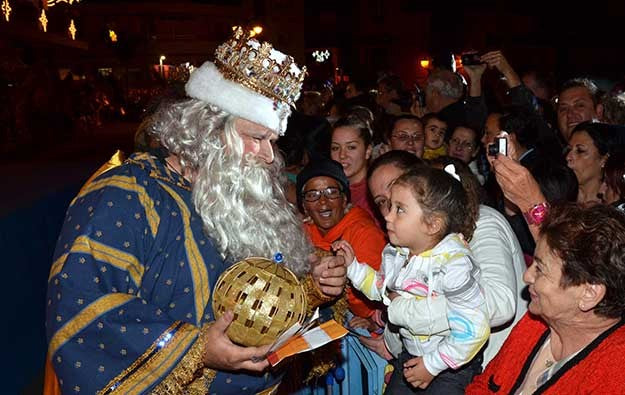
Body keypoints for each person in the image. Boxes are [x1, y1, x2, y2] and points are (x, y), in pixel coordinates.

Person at [45, 28, 347, 395]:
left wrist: (313, 288)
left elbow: (259, 293)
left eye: (272, 141)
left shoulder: (242, 196)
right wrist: (197, 349)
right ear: (208, 129)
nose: (269, 156)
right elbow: (85, 307)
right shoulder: (126, 197)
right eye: (256, 137)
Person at [364, 152, 527, 370]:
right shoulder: (406, 244)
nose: (389, 212)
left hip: (492, 365)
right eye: (383, 202)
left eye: (399, 198)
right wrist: (390, 341)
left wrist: (403, 310)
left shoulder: (484, 222)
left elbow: (500, 304)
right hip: (430, 364)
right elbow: (399, 301)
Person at [335, 166, 489, 394]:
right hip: (412, 353)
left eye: (400, 210)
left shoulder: (454, 265)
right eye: (388, 206)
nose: (387, 215)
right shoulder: (397, 252)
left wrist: (433, 364)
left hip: (451, 362)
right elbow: (382, 288)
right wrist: (354, 268)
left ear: (432, 224)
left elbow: (473, 329)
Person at [467, 203, 625, 394]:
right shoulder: (537, 321)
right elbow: (483, 386)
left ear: (589, 294)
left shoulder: (615, 371)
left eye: (540, 269)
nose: (527, 276)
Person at [296, 157, 387, 329]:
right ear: (304, 206)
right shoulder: (301, 233)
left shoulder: (364, 234)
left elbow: (372, 305)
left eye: (331, 192)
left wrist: (343, 274)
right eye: (313, 195)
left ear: (344, 200)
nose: (323, 202)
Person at [330, 114, 379, 223]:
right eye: (335, 148)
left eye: (351, 147)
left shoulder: (376, 191)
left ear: (368, 151)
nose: (342, 155)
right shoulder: (328, 188)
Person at [566, 122, 611, 204]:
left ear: (604, 160)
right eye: (568, 150)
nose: (568, 157)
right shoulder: (557, 199)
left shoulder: (615, 208)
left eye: (580, 151)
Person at [556, 78, 603, 142]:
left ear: (598, 112)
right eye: (563, 109)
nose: (569, 114)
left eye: (579, 106)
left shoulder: (617, 149)